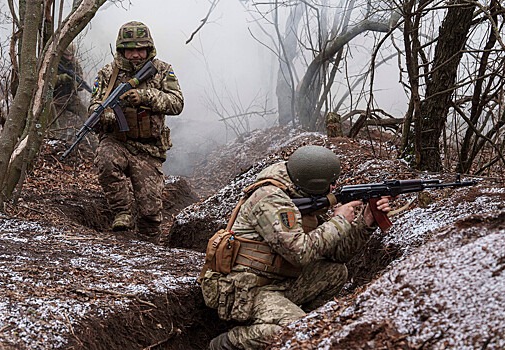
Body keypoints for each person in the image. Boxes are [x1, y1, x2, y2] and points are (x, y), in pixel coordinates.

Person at [200, 145, 392, 350]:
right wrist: (339, 221)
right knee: (299, 332)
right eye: (331, 183)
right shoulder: (270, 199)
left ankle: (302, 322)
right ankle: (227, 343)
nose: (334, 187)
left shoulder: (299, 193)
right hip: (245, 289)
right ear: (314, 183)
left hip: (277, 281)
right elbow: (300, 253)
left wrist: (366, 222)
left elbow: (337, 253)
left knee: (335, 272)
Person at [89, 21, 184, 241]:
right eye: (130, 49)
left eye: (140, 49)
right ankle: (122, 212)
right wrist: (104, 114)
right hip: (118, 142)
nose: (135, 55)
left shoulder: (162, 70)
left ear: (148, 49)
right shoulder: (107, 74)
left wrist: (146, 97)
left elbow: (177, 103)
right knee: (105, 160)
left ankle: (150, 248)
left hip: (148, 149)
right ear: (121, 50)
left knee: (150, 211)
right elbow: (94, 103)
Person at [51, 44, 89, 142]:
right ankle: (58, 141)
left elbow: (80, 83)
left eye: (71, 55)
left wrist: (75, 84)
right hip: (54, 98)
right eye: (66, 55)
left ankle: (90, 133)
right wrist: (61, 79)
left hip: (70, 96)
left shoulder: (75, 64)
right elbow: (46, 81)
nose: (69, 58)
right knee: (59, 123)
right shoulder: (54, 62)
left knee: (83, 112)